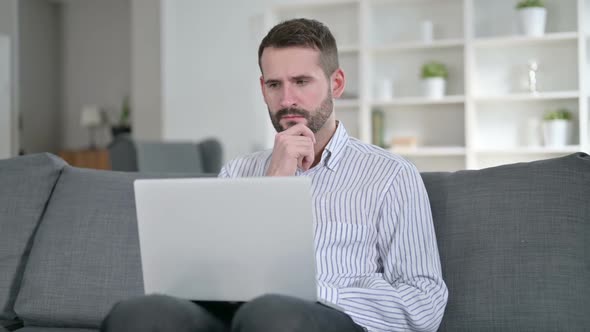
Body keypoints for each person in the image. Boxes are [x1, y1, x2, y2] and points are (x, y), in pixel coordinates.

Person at [101, 18, 447, 332]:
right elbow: (214, 274)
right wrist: (275, 180)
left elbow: (424, 301)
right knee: (136, 315)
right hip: (233, 316)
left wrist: (312, 294)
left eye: (301, 82)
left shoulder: (389, 175)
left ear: (336, 83)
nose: (287, 99)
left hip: (327, 317)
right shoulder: (237, 171)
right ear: (262, 88)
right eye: (274, 85)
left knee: (272, 315)